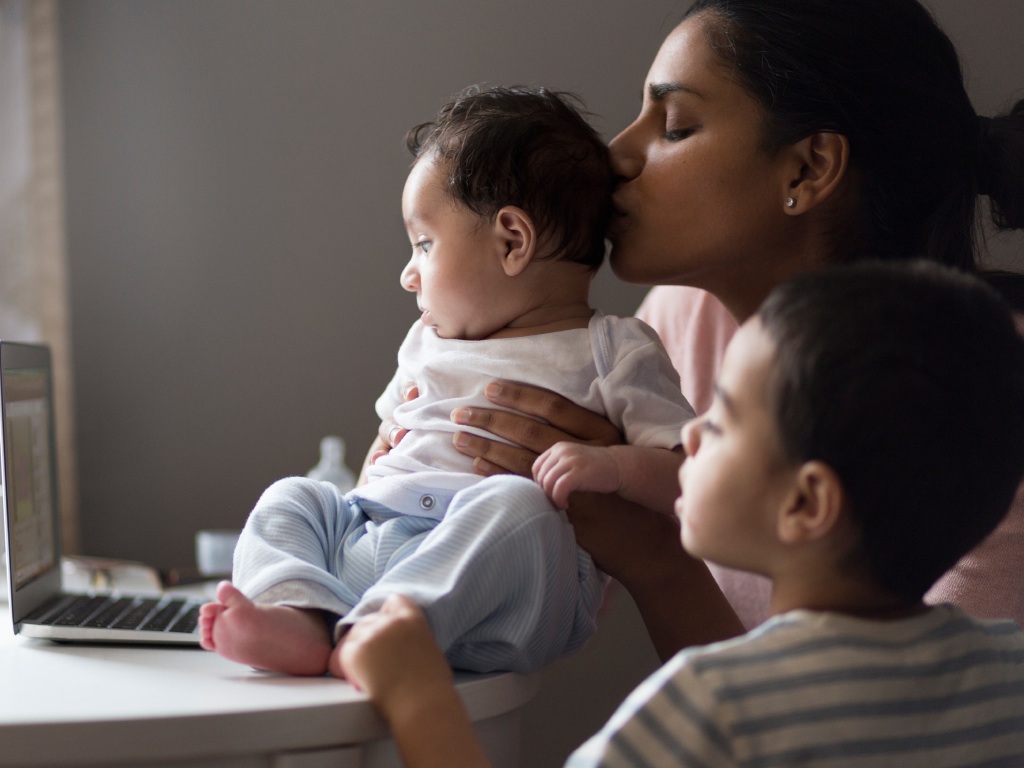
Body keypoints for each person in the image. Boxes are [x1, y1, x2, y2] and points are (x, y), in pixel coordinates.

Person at [406, 0, 1024, 654]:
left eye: (673, 126)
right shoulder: (680, 321)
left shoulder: (986, 392)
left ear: (808, 168)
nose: (615, 155)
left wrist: (654, 554)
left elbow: (884, 738)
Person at [339, 261, 1024, 767]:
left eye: (721, 419)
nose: (689, 433)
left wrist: (419, 696)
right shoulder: (1008, 675)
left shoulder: (710, 707)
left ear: (806, 503)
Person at [198, 85, 695, 676]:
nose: (409, 274)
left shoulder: (614, 348)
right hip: (376, 548)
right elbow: (385, 444)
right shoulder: (426, 342)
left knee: (519, 505)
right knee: (294, 496)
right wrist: (368, 482)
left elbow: (688, 477)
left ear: (513, 241)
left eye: (425, 245)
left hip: (498, 585)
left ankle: (381, 634)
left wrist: (613, 468)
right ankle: (303, 615)